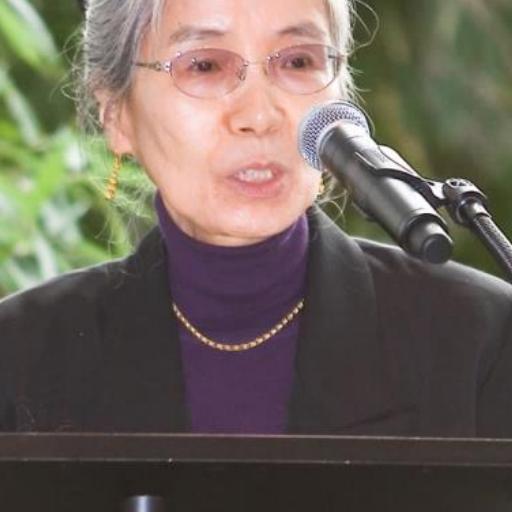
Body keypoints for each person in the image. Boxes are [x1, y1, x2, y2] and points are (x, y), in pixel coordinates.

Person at [0, 0, 511, 436]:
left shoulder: (482, 341)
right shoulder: (20, 356)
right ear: (116, 113)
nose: (260, 116)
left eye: (298, 61)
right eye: (204, 66)